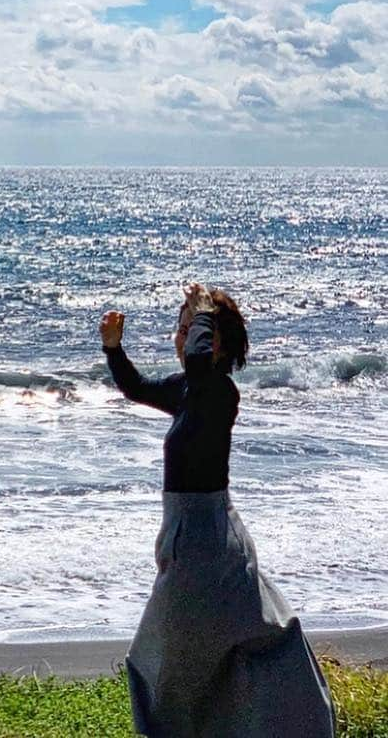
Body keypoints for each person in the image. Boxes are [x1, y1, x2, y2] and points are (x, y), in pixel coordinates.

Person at [99, 284, 336, 738]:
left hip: (206, 538)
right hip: (190, 534)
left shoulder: (218, 393)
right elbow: (136, 387)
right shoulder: (189, 389)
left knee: (173, 653)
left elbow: (197, 361)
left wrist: (205, 313)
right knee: (202, 648)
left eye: (192, 327)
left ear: (215, 341)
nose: (182, 335)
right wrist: (114, 349)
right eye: (181, 327)